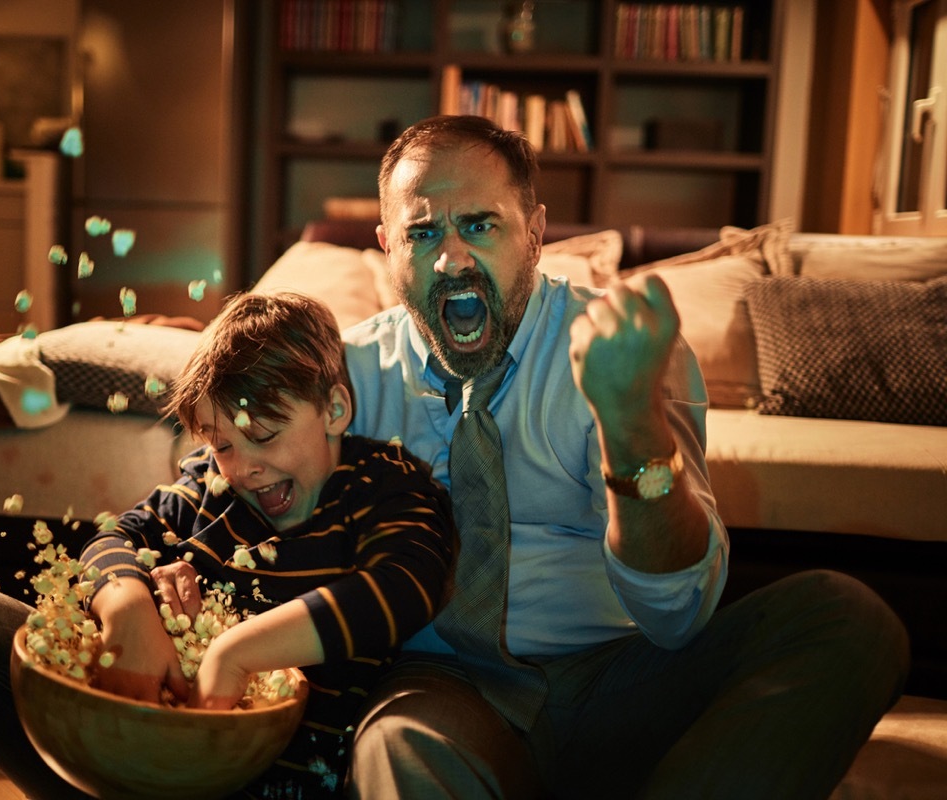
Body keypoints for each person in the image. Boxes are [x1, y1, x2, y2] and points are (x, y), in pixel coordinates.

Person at [323, 115, 909, 798]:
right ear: (388, 245)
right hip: (440, 684)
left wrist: (628, 422)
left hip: (616, 677)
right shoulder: (348, 378)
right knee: (396, 749)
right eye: (423, 234)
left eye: (480, 225)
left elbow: (678, 612)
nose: (452, 257)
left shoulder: (622, 352)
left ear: (536, 234)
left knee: (847, 617)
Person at [0, 292, 453, 799]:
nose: (242, 469)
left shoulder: (384, 485)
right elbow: (114, 538)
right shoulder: (209, 490)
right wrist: (128, 607)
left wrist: (237, 653)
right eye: (220, 444)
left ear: (334, 408)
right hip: (113, 753)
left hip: (267, 781)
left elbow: (406, 585)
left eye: (264, 437)